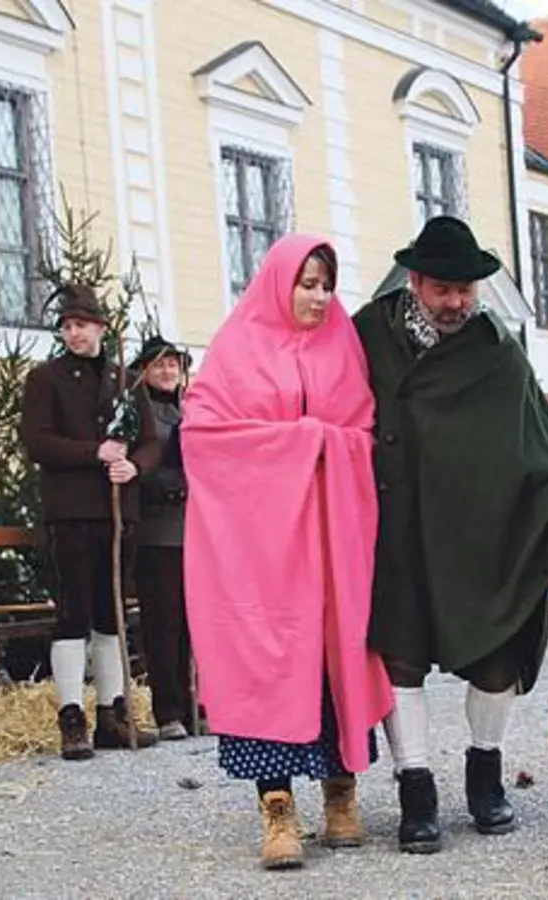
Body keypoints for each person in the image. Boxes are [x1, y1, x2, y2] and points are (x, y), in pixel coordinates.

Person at [352, 216, 548, 854]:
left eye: (468, 289)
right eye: (445, 288)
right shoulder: (367, 337)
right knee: (400, 657)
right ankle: (416, 788)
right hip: (397, 527)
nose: (459, 302)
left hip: (481, 530)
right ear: (415, 282)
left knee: (498, 657)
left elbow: (545, 451)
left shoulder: (499, 352)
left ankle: (485, 774)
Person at [180, 236, 393, 871]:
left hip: (330, 544)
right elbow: (203, 435)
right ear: (279, 284)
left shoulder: (341, 346)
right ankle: (276, 810)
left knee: (336, 660)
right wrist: (298, 443)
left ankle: (340, 794)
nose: (317, 296)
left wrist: (326, 442)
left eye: (325, 283)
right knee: (266, 665)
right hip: (260, 549)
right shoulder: (236, 347)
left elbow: (363, 432)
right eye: (306, 283)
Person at [20, 285, 160, 760]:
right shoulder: (47, 380)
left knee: (111, 614)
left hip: (118, 514)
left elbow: (150, 440)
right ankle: (72, 717)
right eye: (67, 325)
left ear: (100, 328)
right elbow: (38, 442)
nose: (73, 332)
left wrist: (134, 466)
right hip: (72, 512)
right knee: (73, 615)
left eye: (81, 324)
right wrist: (92, 453)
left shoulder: (125, 380)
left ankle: (112, 713)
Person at [130, 334, 197, 742]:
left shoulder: (191, 407)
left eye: (173, 364)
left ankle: (193, 704)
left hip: (195, 528)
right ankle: (167, 708)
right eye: (158, 365)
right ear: (144, 372)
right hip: (157, 527)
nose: (168, 371)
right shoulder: (140, 413)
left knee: (195, 623)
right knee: (163, 622)